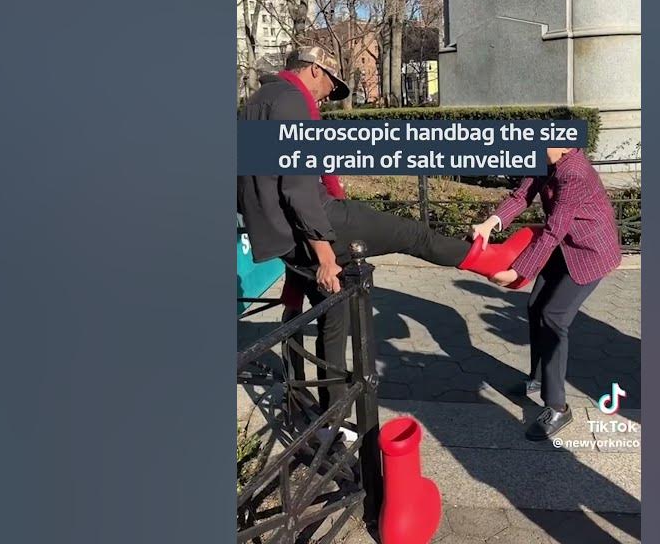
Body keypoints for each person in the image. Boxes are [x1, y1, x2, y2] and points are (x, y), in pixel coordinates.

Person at [238, 45, 470, 412]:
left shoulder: (256, 103)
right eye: (331, 83)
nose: (330, 93)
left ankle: (326, 410)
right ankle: (487, 260)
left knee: (332, 311)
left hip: (283, 233)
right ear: (315, 70)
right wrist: (326, 256)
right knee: (412, 234)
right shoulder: (291, 103)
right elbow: (297, 187)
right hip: (319, 221)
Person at [470, 147, 622, 440]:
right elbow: (521, 196)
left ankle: (558, 407)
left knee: (554, 317)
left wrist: (518, 273)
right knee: (535, 304)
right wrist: (489, 224)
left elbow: (553, 230)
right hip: (565, 245)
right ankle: (538, 379)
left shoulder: (574, 171)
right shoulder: (544, 160)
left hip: (590, 252)